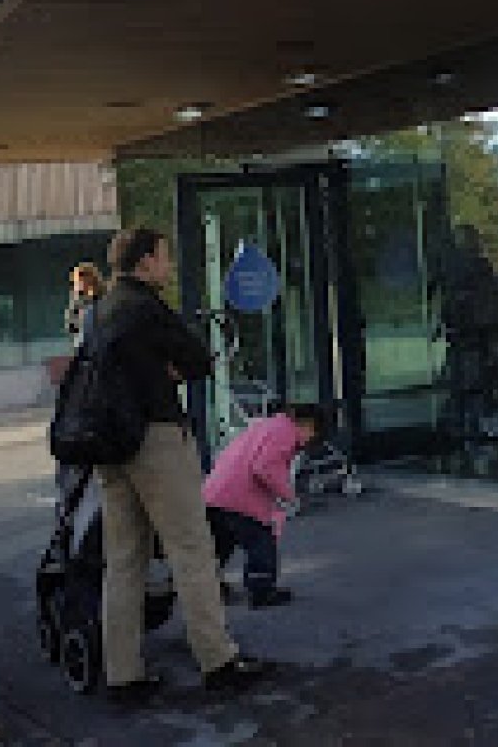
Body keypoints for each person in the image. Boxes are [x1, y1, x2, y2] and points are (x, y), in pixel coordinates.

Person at [94, 226, 274, 702]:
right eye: (164, 256)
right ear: (145, 262)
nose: (169, 266)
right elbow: (197, 360)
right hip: (155, 439)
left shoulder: (101, 310)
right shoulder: (146, 308)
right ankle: (217, 660)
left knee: (124, 560)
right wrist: (167, 370)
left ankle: (123, 674)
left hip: (110, 447)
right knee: (191, 549)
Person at [203, 403, 323, 609]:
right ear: (307, 424)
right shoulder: (285, 432)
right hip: (239, 497)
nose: (310, 441)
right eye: (314, 434)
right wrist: (289, 495)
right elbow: (265, 467)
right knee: (261, 543)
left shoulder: (266, 425)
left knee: (220, 544)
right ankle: (262, 591)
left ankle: (209, 589)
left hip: (215, 493)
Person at [65, 261, 104, 347]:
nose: (76, 283)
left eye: (79, 280)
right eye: (75, 281)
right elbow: (73, 331)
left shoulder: (103, 301)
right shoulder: (75, 304)